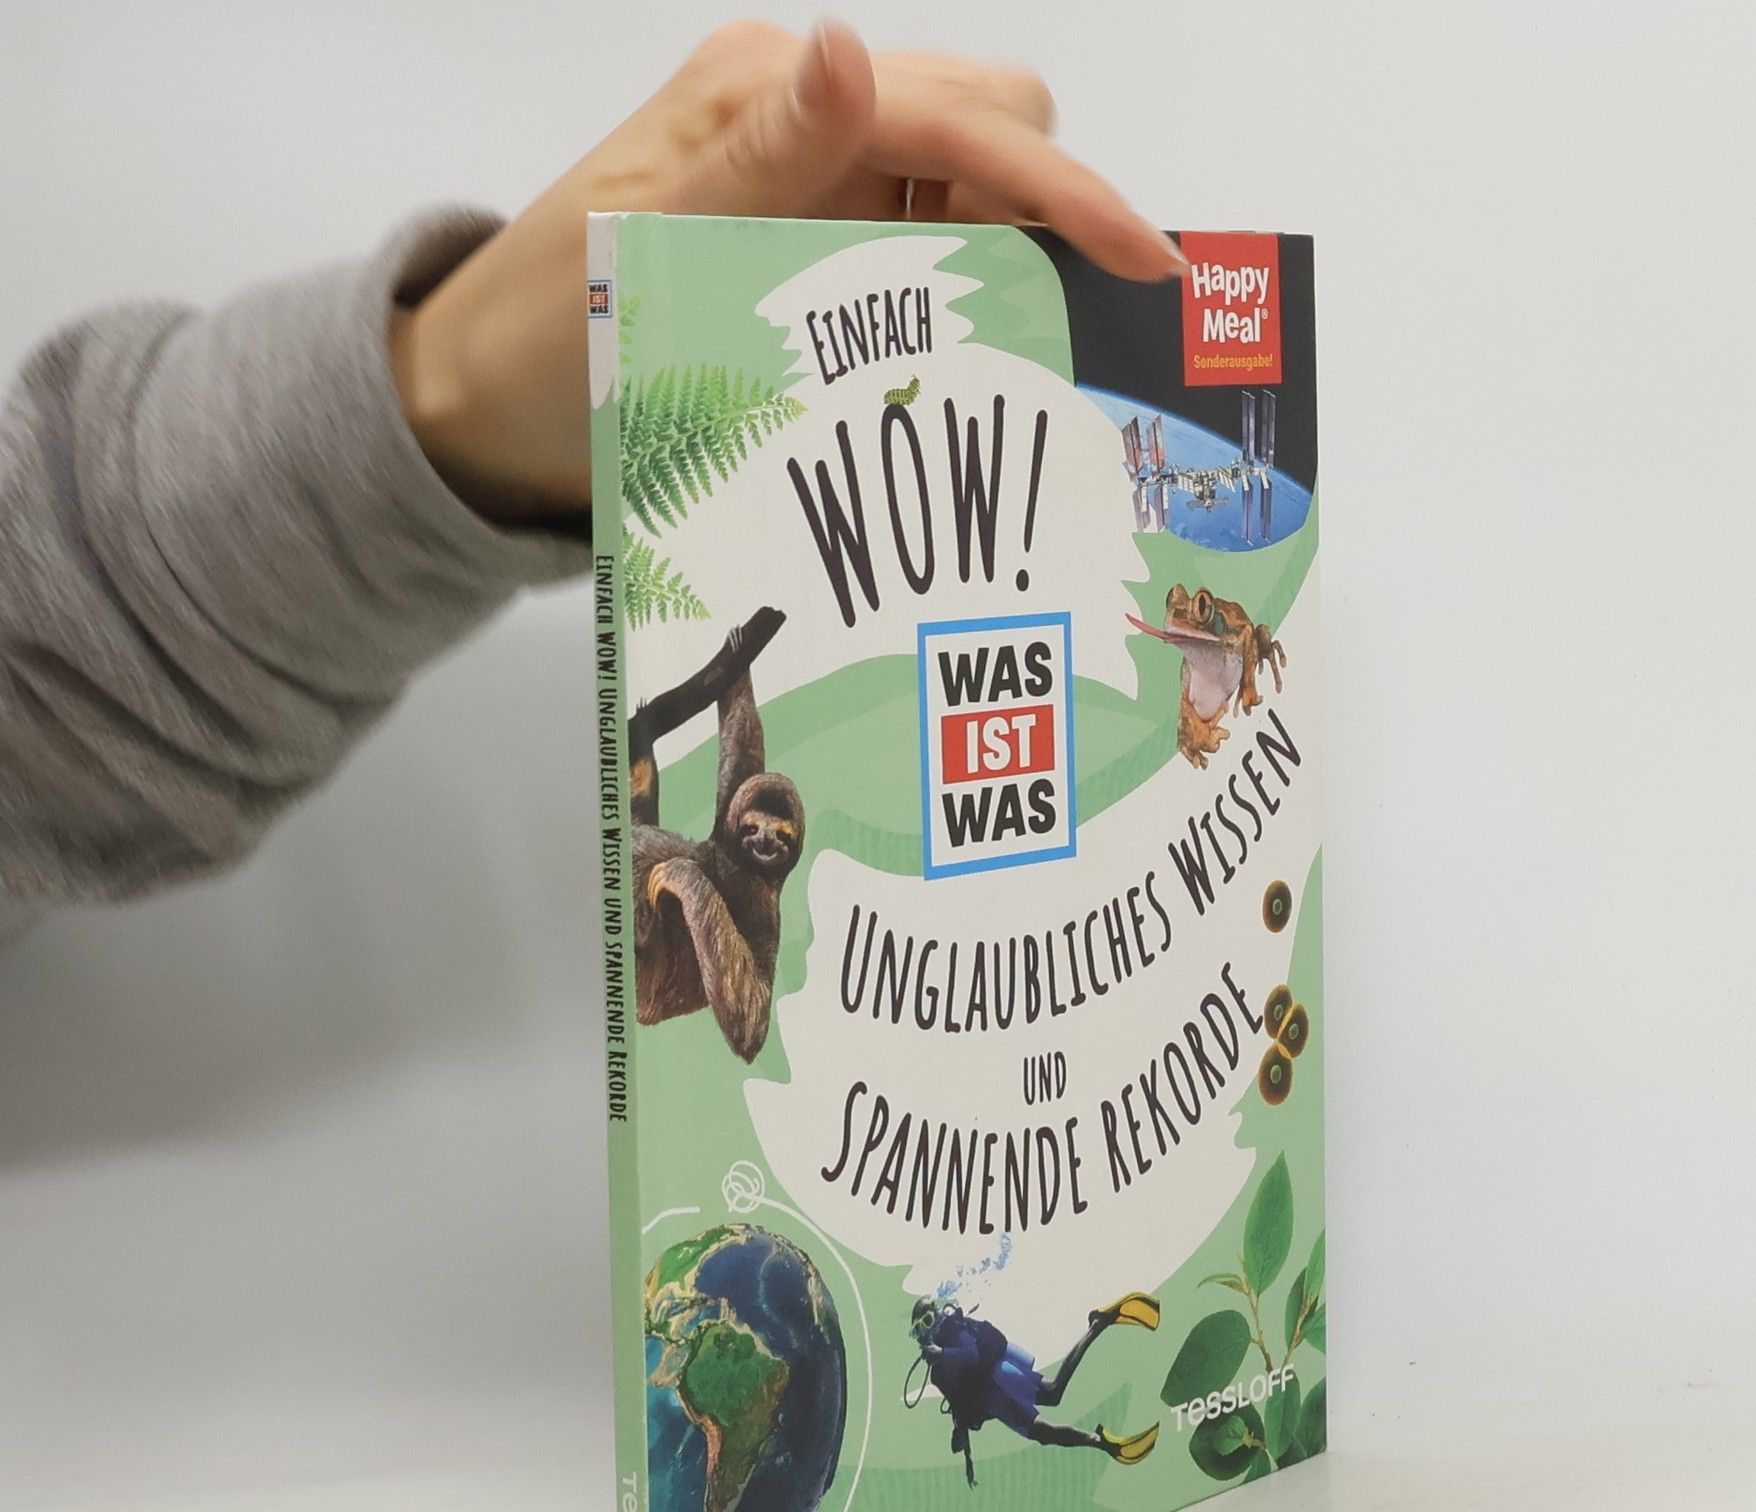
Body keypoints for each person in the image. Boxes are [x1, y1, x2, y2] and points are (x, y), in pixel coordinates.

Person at [0, 19, 1183, 949]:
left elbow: (42, 713)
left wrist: (442, 393)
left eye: (764, 835)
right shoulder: (717, 857)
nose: (763, 839)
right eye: (765, 829)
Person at [908, 1292, 1164, 1487]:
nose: (923, 1333)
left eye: (926, 1322)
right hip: (994, 1401)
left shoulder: (953, 1331)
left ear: (936, 1316)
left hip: (999, 1377)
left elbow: (972, 1356)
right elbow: (958, 1401)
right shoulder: (937, 1373)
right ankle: (1102, 1443)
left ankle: (1098, 1323)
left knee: (1053, 1394)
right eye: (917, 1329)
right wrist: (966, 1453)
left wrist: (941, 1352)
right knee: (1043, 1433)